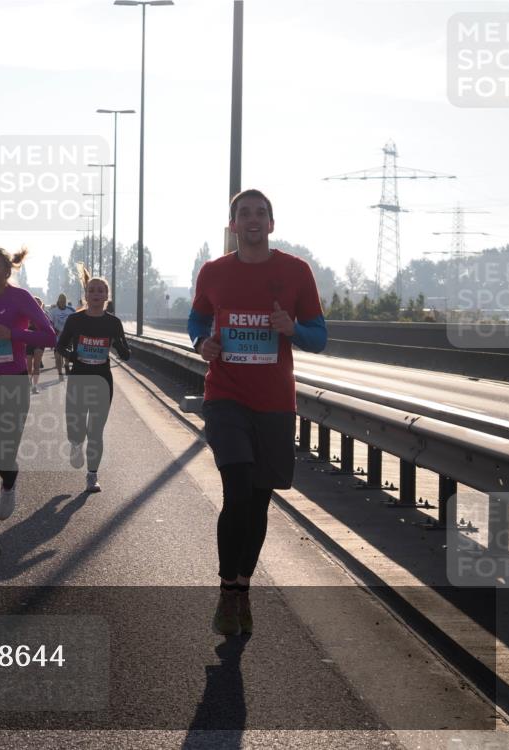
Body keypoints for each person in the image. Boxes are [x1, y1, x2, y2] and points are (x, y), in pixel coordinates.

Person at [188, 189, 327, 636]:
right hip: (224, 396)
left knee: (260, 499)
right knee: (237, 489)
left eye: (260, 213)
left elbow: (320, 336)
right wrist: (200, 343)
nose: (252, 219)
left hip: (274, 403)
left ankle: (243, 587)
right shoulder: (213, 272)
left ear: (271, 224)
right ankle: (228, 591)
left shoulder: (295, 271)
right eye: (243, 213)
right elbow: (196, 320)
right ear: (232, 226)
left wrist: (294, 329)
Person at [0, 247, 56, 561]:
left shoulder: (21, 298)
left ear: (7, 271)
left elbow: (50, 337)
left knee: (3, 456)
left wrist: (14, 333)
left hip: (13, 383)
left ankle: (11, 479)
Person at [57, 270, 129, 493]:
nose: (96, 294)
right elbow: (60, 346)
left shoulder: (114, 323)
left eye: (101, 290)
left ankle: (92, 475)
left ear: (107, 295)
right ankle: (76, 443)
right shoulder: (75, 320)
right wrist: (73, 356)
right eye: (92, 290)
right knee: (77, 428)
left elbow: (126, 355)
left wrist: (117, 343)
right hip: (79, 377)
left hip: (102, 380)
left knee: (96, 431)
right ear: (86, 295)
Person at [48, 293, 75, 380]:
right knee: (58, 356)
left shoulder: (70, 310)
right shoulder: (53, 311)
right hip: (57, 337)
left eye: (64, 301)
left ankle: (66, 365)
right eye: (61, 301)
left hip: (68, 336)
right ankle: (60, 373)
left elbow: (75, 322)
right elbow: (50, 324)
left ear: (66, 301)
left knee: (67, 353)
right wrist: (56, 331)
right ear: (58, 301)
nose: (62, 302)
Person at [25, 296, 47, 394]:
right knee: (29, 367)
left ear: (41, 305)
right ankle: (29, 383)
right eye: (35, 302)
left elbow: (48, 328)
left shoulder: (44, 315)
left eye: (38, 303)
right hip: (28, 341)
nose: (36, 304)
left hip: (39, 341)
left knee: (36, 365)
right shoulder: (26, 314)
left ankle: (35, 386)